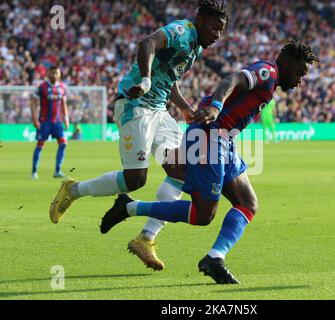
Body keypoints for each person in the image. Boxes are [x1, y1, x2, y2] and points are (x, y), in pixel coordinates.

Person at [100, 39, 319, 284]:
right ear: (286, 62)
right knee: (203, 215)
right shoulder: (268, 72)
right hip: (210, 136)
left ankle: (215, 258)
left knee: (247, 203)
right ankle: (129, 207)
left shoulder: (272, 81)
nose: (300, 80)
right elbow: (231, 80)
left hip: (224, 140)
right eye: (300, 72)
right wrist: (215, 106)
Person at [49, 0, 229, 271]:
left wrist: (185, 109)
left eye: (221, 31)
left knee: (182, 170)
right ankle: (73, 190)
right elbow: (147, 43)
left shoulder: (196, 47)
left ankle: (146, 238)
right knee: (136, 180)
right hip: (135, 107)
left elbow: (169, 77)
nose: (217, 34)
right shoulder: (182, 31)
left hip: (158, 109)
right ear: (201, 19)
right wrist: (145, 79)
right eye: (215, 27)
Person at [30, 66, 69, 179]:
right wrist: (35, 119)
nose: (55, 75)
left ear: (60, 74)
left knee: (63, 143)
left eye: (57, 73)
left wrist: (66, 118)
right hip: (44, 122)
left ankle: (57, 170)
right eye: (52, 73)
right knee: (40, 145)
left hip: (57, 122)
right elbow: (32, 103)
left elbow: (64, 104)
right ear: (48, 74)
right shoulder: (42, 87)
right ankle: (34, 171)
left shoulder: (62, 87)